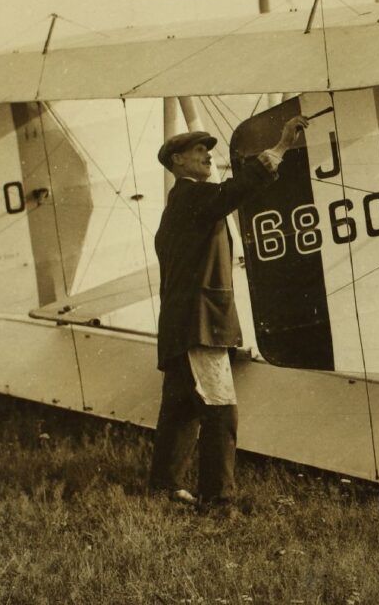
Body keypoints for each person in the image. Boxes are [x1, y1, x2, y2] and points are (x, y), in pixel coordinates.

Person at [150, 116, 308, 515]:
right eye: (198, 149)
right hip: (200, 324)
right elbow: (234, 191)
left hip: (180, 324)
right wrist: (281, 148)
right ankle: (218, 500)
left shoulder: (179, 206)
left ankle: (163, 486)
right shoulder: (192, 197)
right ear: (177, 161)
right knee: (220, 406)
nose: (207, 153)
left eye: (208, 147)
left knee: (181, 407)